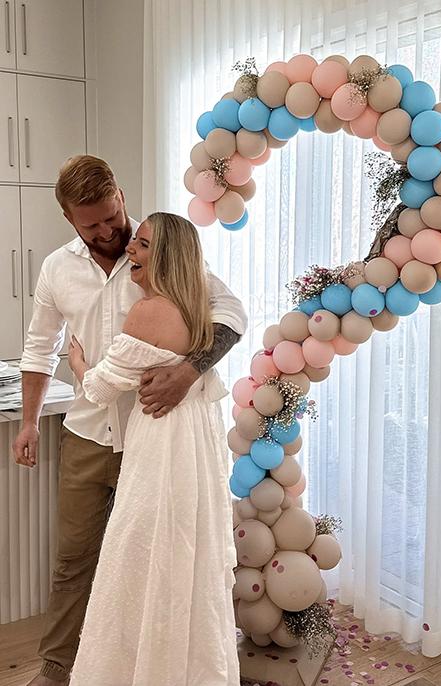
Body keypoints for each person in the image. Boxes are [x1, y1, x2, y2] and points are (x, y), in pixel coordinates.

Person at [13, 156, 247, 685]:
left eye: (111, 214)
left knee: (158, 557)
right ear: (70, 219)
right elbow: (38, 347)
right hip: (90, 433)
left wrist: (189, 372)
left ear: (119, 194)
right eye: (90, 223)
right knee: (76, 560)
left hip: (157, 438)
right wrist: (29, 422)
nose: (107, 230)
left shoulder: (159, 247)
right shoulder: (57, 268)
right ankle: (58, 668)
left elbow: (231, 313)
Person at [67, 212, 239, 685]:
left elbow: (101, 389)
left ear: (164, 254)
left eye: (141, 245)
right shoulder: (201, 306)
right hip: (198, 445)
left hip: (162, 445)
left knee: (139, 551)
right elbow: (235, 317)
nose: (130, 251)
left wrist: (79, 363)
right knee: (188, 550)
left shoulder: (148, 312)